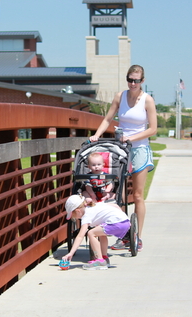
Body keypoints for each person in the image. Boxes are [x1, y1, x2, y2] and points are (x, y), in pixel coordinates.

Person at [89, 65, 157, 252]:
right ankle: (123, 234)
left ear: (142, 81)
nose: (132, 83)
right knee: (117, 194)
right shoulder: (120, 97)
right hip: (120, 150)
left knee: (137, 195)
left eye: (136, 80)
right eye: (130, 79)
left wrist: (132, 138)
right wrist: (96, 135)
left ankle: (138, 236)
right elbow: (107, 119)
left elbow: (153, 129)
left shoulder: (147, 100)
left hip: (139, 149)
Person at [62, 194, 130, 270]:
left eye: (73, 215)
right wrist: (122, 216)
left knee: (91, 233)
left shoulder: (86, 216)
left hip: (117, 223)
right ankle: (104, 258)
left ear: (78, 211)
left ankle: (99, 260)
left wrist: (71, 253)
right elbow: (115, 206)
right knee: (100, 233)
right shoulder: (95, 206)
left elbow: (80, 236)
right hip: (125, 221)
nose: (75, 218)